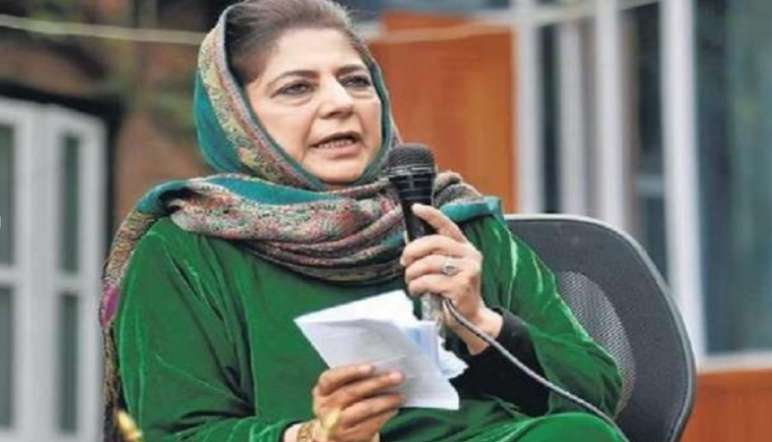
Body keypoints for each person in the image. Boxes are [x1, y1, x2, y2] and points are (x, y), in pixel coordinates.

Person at [100, 0, 625, 441]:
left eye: (355, 81)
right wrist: (313, 435)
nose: (340, 104)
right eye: (297, 88)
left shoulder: (452, 223)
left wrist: (484, 324)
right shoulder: (185, 248)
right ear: (238, 120)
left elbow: (597, 394)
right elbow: (175, 433)